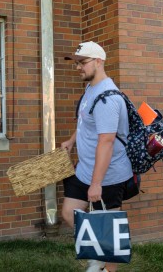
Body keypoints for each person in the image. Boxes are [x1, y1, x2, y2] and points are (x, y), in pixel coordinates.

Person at [61, 41, 133, 272]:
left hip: (107, 176)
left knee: (108, 231)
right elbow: (86, 121)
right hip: (85, 169)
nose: (78, 68)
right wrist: (72, 141)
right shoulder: (91, 89)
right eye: (77, 63)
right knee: (69, 212)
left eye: (82, 62)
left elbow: (107, 141)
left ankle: (106, 266)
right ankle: (98, 258)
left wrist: (96, 184)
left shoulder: (108, 98)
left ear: (99, 61)